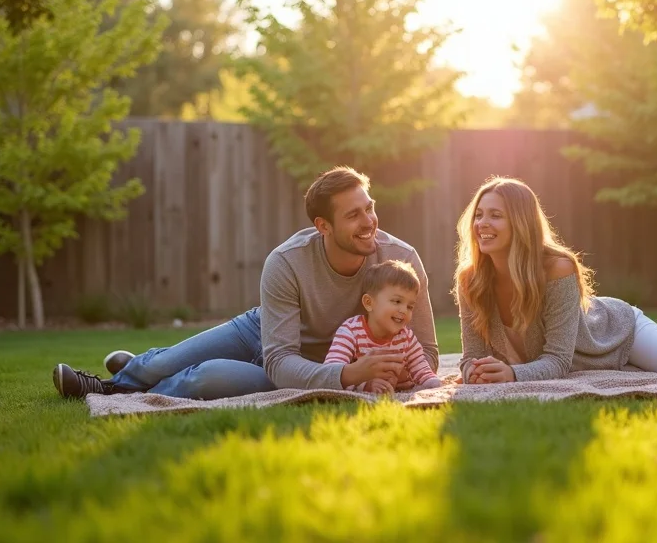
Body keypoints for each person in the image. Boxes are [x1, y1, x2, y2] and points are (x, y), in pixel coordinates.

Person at [52, 166, 440, 400]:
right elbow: (278, 355)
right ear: (323, 227)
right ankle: (116, 383)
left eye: (369, 207)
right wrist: (349, 376)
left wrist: (376, 373)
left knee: (207, 376)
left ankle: (140, 384)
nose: (370, 221)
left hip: (317, 362)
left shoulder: (401, 259)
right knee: (170, 360)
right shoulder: (286, 262)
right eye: (354, 215)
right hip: (265, 333)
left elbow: (425, 350)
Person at [452, 176, 657, 385]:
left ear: (521, 224)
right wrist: (475, 373)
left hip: (617, 332)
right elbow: (471, 357)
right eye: (479, 214)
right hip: (587, 357)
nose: (482, 223)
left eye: (495, 215)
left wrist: (512, 373)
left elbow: (557, 361)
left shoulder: (557, 269)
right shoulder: (470, 280)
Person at [324, 260, 444, 393]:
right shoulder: (351, 332)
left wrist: (432, 383)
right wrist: (366, 386)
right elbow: (331, 373)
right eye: (397, 301)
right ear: (369, 303)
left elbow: (421, 369)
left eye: (410, 306)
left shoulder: (406, 337)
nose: (403, 310)